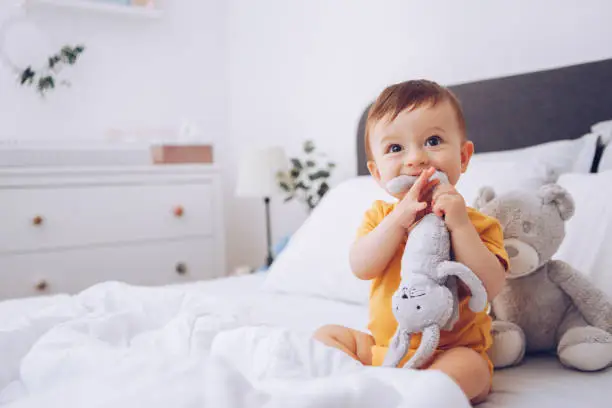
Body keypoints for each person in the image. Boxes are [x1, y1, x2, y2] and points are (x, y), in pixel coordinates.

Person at [313, 80, 509, 404]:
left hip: (450, 353)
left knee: (472, 368)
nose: (416, 159)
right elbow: (361, 266)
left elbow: (490, 285)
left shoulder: (476, 223)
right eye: (395, 148)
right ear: (377, 174)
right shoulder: (380, 217)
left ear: (463, 156)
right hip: (387, 349)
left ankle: (414, 396)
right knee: (325, 337)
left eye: (433, 141)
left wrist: (458, 225)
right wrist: (398, 220)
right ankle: (357, 389)